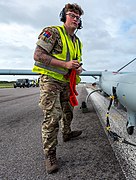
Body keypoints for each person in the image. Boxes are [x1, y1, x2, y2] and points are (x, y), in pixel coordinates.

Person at [32, 3, 84, 174]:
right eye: (72, 15)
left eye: (78, 17)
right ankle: (50, 154)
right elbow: (38, 55)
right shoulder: (52, 32)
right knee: (52, 117)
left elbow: (75, 62)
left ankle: (67, 133)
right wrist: (65, 64)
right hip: (51, 81)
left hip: (66, 82)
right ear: (64, 16)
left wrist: (77, 68)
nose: (75, 19)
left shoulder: (77, 42)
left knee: (68, 110)